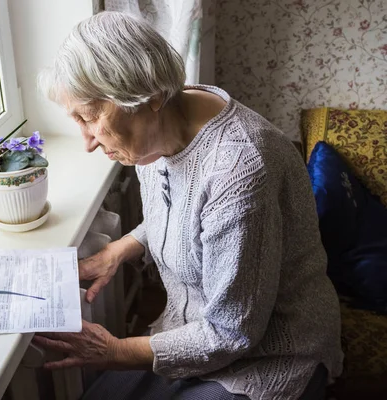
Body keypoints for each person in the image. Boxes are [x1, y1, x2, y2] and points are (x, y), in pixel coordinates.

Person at [33, 11, 343, 400]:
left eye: (90, 117)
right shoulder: (157, 133)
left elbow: (233, 332)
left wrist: (113, 351)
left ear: (150, 98)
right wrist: (120, 248)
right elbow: (187, 215)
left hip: (273, 352)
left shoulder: (239, 170)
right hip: (190, 332)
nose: (88, 142)